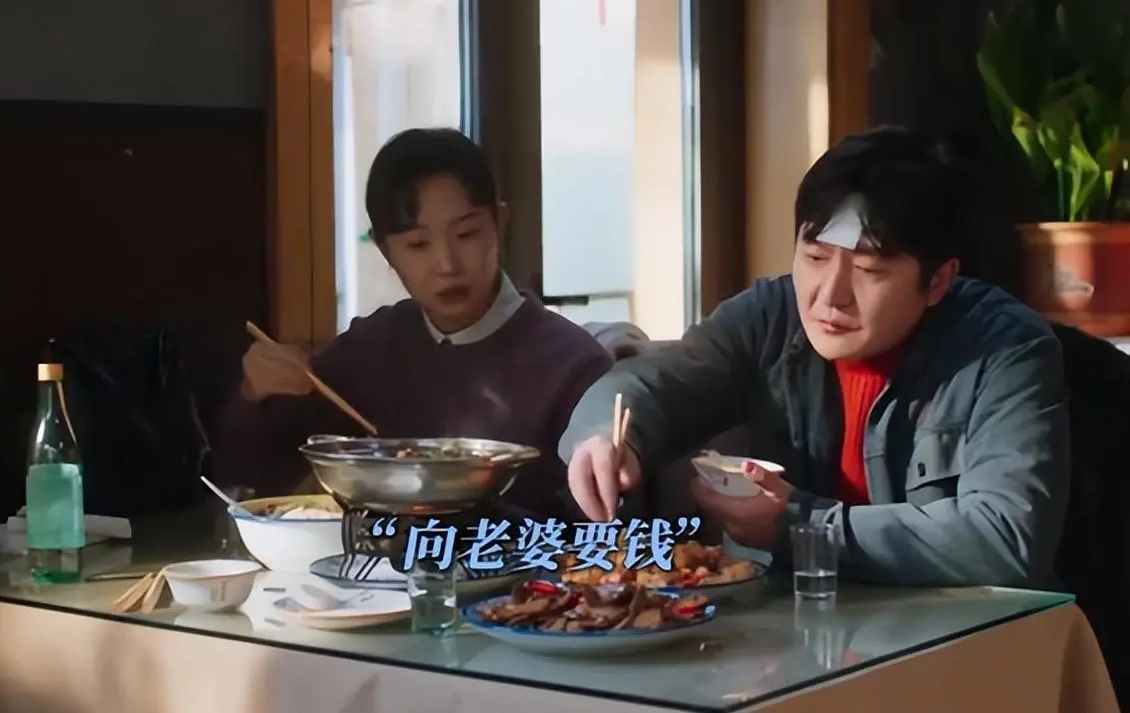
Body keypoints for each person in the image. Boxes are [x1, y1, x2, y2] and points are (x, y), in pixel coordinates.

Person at [559, 126, 1070, 587]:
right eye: (815, 257)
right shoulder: (770, 317)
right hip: (787, 629)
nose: (829, 296)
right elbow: (659, 380)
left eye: (869, 271)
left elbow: (1006, 538)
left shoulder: (1004, 348)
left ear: (938, 280)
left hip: (953, 638)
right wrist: (603, 437)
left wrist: (799, 524)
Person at [215, 128, 613, 520]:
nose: (447, 265)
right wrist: (256, 395)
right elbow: (250, 484)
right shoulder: (370, 349)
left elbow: (600, 530)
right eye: (418, 244)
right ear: (385, 250)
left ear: (499, 222)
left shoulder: (573, 364)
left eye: (467, 234)